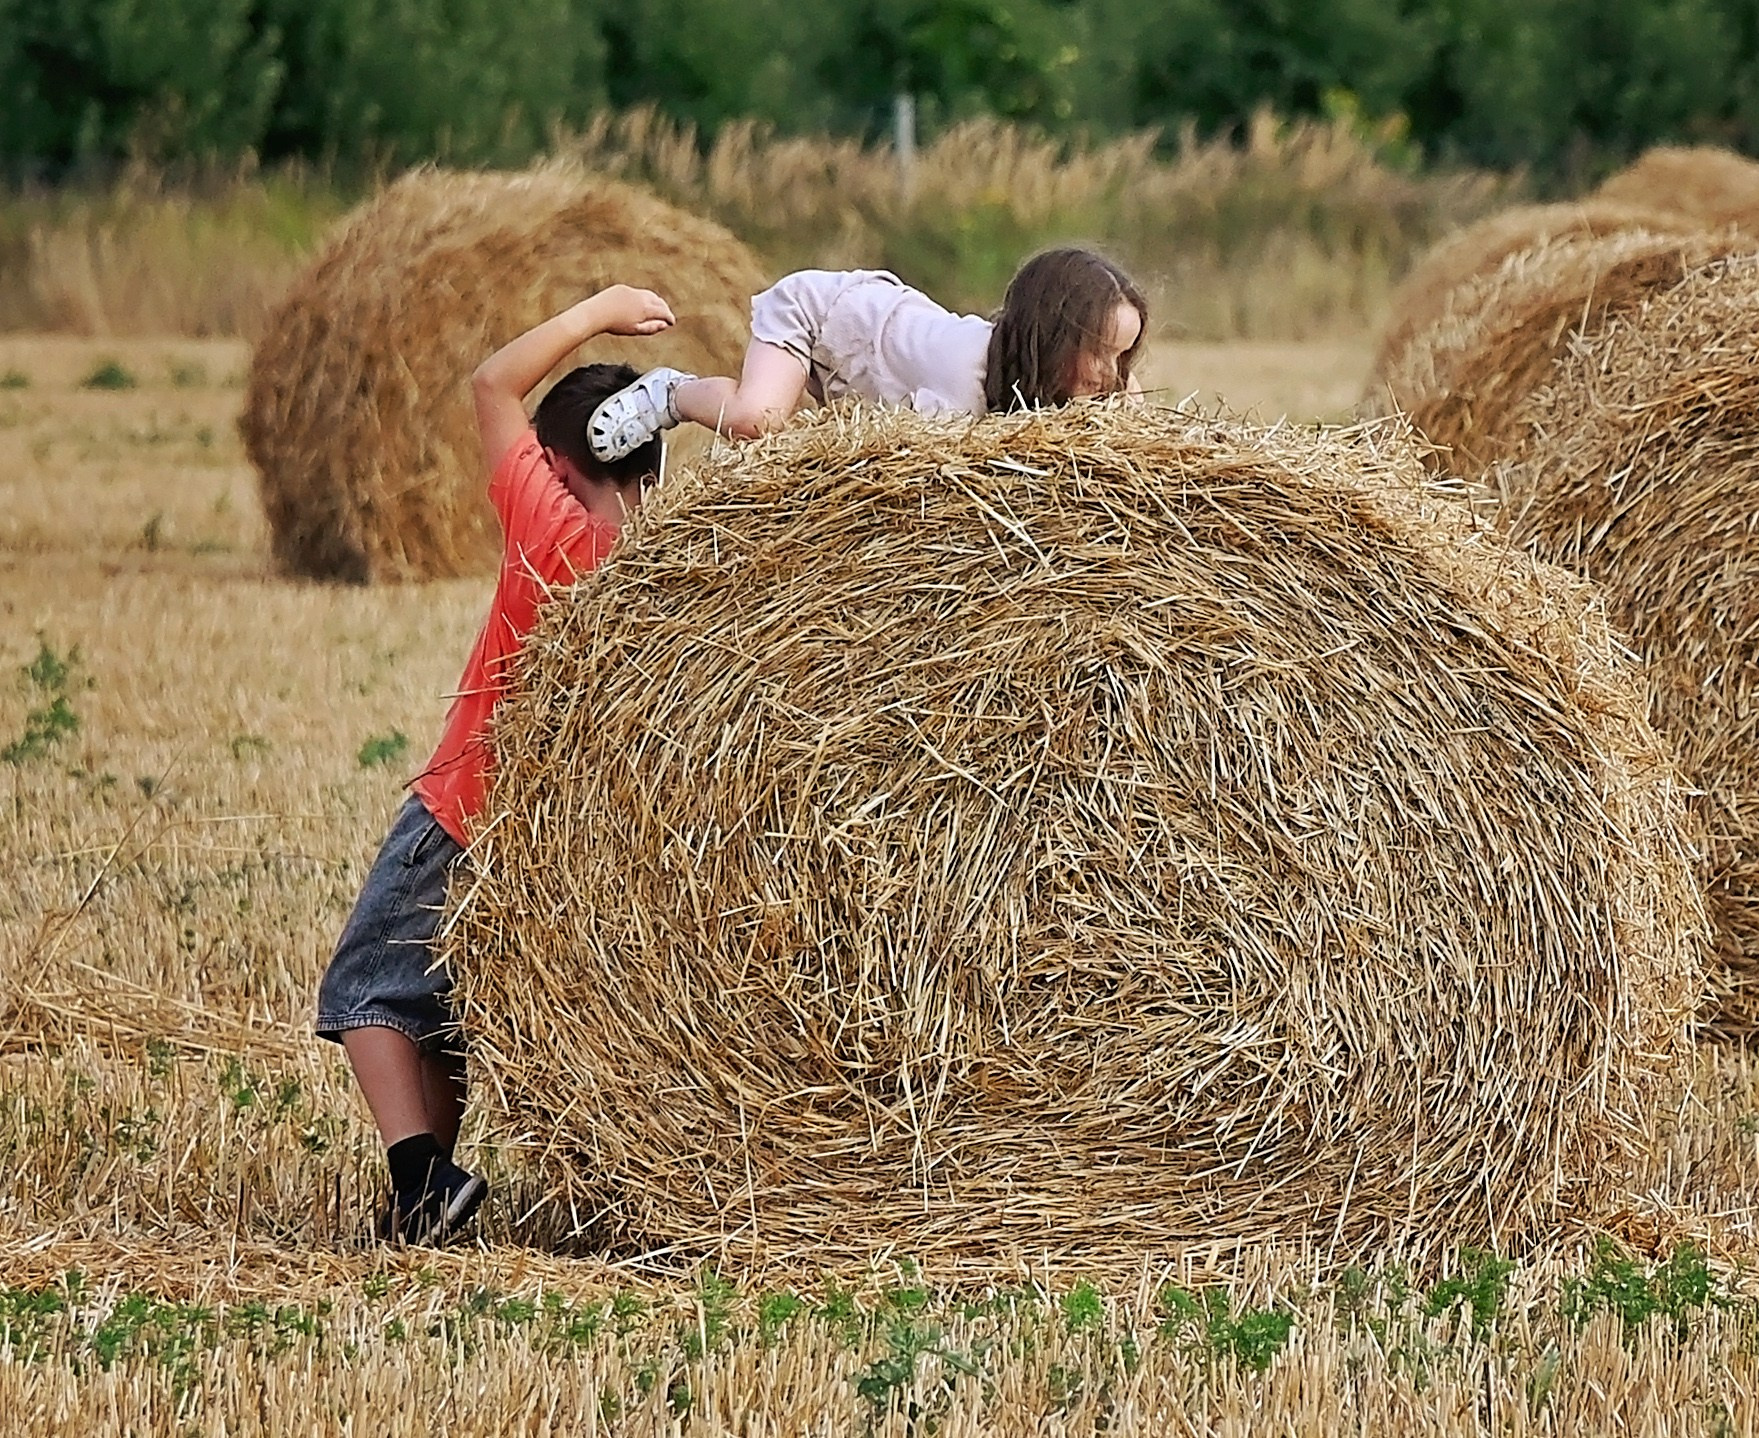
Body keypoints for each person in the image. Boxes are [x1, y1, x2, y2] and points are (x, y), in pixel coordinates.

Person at [315, 284, 674, 1244]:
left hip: (460, 809)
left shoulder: (549, 532)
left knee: (363, 992)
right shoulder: (651, 577)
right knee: (444, 1012)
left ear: (559, 464)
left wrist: (598, 310)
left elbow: (489, 381)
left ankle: (421, 1174)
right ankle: (423, 1209)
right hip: (542, 842)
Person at [585, 246, 1147, 459]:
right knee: (759, 420)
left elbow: (1132, 417)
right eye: (1101, 353)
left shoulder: (1048, 375)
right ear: (1050, 339)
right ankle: (673, 393)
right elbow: (901, 456)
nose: (1111, 373)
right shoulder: (961, 383)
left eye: (1122, 356)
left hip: (874, 342)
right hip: (819, 318)